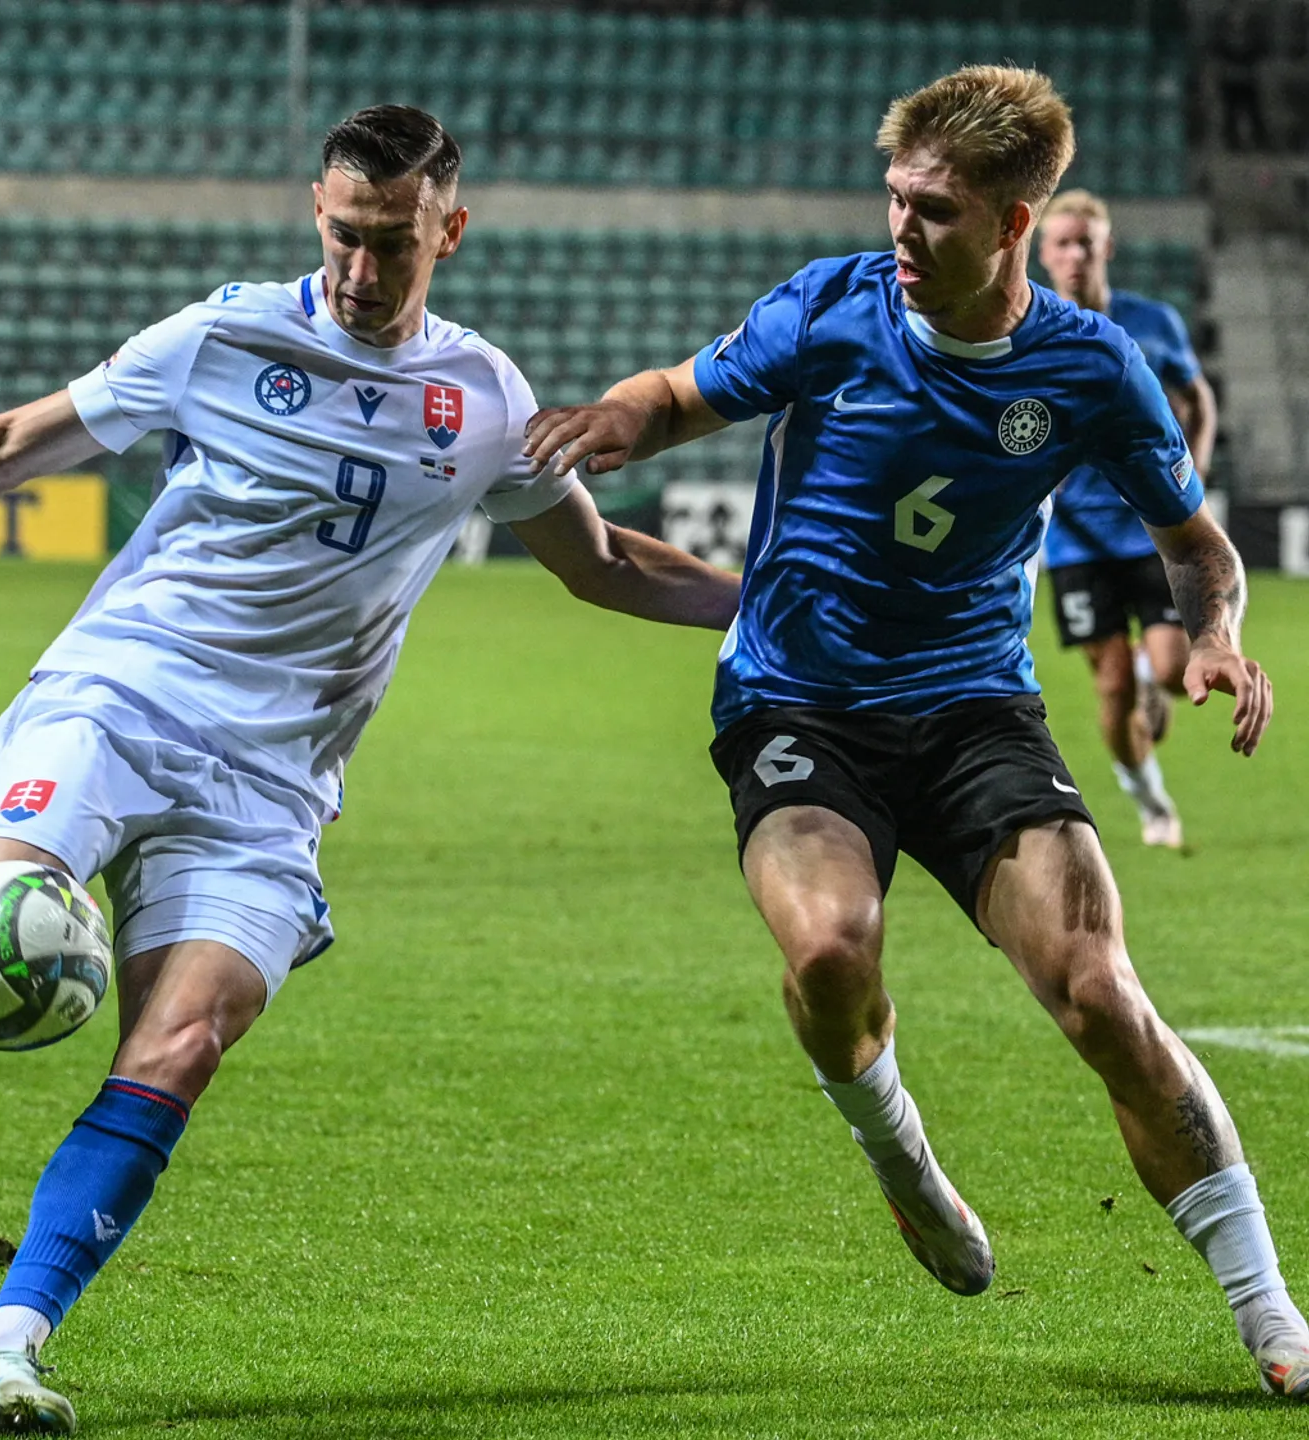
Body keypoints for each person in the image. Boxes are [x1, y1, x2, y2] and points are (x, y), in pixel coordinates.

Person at [0, 105, 741, 1433]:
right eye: (344, 237)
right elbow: (14, 442)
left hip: (273, 786)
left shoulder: (486, 403)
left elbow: (607, 561)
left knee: (177, 1047)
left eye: (392, 247)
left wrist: (774, 615)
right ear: (315, 213)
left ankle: (4, 1352)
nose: (360, 272)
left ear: (448, 233)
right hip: (119, 698)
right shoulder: (221, 335)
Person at [526, 67, 1304, 1400]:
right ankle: (903, 1161)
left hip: (972, 709)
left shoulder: (1090, 368)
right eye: (896, 199)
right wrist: (614, 423)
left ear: (1013, 224)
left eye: (934, 211)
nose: (901, 230)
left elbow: (1199, 549)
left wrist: (1216, 630)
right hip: (794, 702)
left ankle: (1271, 1311)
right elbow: (673, 391)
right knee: (832, 947)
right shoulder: (830, 310)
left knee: (1102, 993)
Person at [1035, 189, 1217, 849]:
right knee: (1109, 685)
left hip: (1149, 526)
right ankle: (1153, 804)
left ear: (1107, 247)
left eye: (1086, 241)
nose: (1075, 254)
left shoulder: (1152, 322)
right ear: (1042, 252)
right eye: (1061, 243)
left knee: (1174, 668)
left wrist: (1190, 473)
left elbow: (1199, 398)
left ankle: (1152, 674)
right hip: (1072, 539)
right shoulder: (1027, 326)